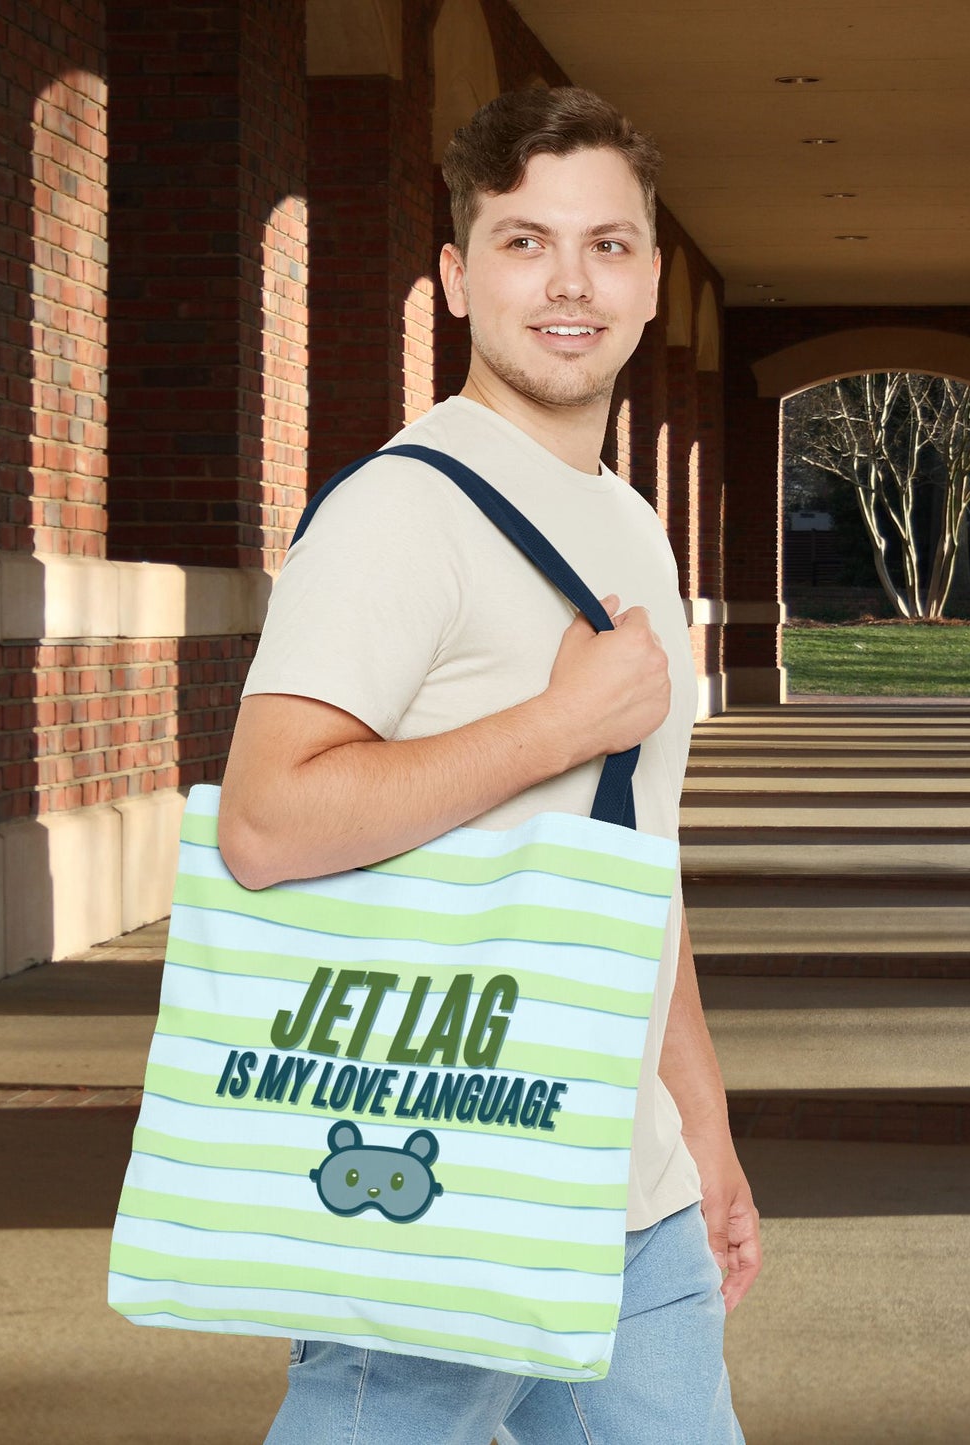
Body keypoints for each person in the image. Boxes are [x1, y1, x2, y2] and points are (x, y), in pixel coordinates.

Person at [218, 84, 759, 1445]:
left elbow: (637, 857)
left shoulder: (627, 525)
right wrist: (554, 724)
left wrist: (699, 1130)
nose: (567, 282)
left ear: (643, 283)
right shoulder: (400, 511)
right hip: (439, 1173)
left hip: (622, 1195)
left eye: (605, 244)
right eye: (524, 242)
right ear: (458, 278)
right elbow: (267, 822)